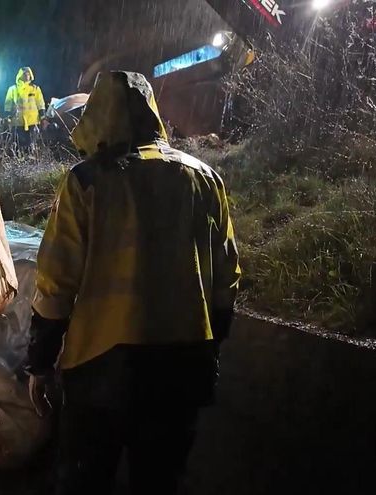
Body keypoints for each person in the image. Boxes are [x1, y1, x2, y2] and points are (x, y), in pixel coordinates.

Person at [26, 71, 241, 495]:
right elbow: (227, 279)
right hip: (183, 368)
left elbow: (55, 284)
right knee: (160, 481)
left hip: (101, 370)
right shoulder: (205, 179)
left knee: (85, 481)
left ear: (98, 116)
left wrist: (40, 362)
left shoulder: (87, 181)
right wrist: (211, 348)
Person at [4, 66, 45, 151]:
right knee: (18, 145)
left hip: (32, 121)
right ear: (20, 75)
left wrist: (42, 116)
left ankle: (31, 157)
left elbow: (40, 103)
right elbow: (8, 104)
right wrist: (8, 117)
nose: (27, 76)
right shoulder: (13, 89)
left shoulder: (35, 88)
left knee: (31, 145)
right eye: (25, 74)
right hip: (17, 122)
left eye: (28, 74)